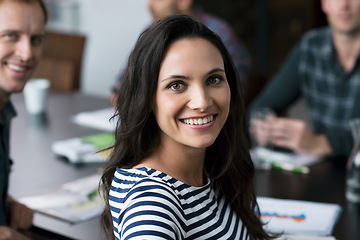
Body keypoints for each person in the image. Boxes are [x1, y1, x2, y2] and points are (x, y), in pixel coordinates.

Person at [101, 15, 274, 240]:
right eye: (177, 85)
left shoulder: (209, 165)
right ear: (147, 98)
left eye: (213, 79)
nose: (202, 102)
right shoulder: (151, 202)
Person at [248, 0, 360, 159]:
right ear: (324, 4)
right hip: (322, 168)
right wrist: (265, 128)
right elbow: (262, 106)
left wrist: (319, 143)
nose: (343, 5)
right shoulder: (311, 47)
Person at [110, 0, 251, 105]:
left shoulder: (219, 33)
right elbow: (125, 81)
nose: (149, 5)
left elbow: (234, 93)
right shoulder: (150, 31)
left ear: (184, 1)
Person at [0, 0, 47, 239]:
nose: (27, 53)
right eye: (10, 35)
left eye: (36, 39)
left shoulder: (3, 105)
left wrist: (7, 203)